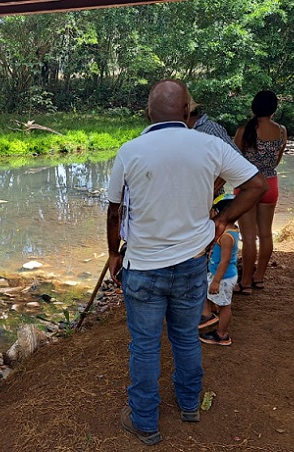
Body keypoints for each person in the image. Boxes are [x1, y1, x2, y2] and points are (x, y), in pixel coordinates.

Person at [107, 79, 267, 445]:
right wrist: (224, 219)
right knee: (184, 337)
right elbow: (256, 185)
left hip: (143, 267)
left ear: (148, 113)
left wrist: (114, 253)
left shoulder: (130, 150)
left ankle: (145, 421)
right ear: (185, 111)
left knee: (145, 346)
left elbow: (115, 211)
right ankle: (190, 404)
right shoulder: (210, 144)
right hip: (192, 265)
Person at [233, 90, 287, 294]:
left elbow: (234, 160)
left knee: (248, 237)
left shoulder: (244, 130)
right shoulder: (281, 131)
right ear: (274, 109)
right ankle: (259, 277)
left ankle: (245, 282)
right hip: (270, 183)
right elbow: (277, 160)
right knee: (265, 234)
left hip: (248, 184)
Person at [198, 195, 239, 346]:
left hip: (223, 277)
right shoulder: (231, 230)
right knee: (208, 294)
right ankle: (209, 316)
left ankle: (221, 335)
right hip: (221, 275)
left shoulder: (227, 237)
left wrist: (216, 281)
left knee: (225, 306)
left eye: (214, 212)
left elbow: (225, 261)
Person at [186, 97, 241, 197]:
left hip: (209, 198)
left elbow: (236, 158)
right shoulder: (187, 131)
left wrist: (214, 188)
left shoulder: (210, 129)